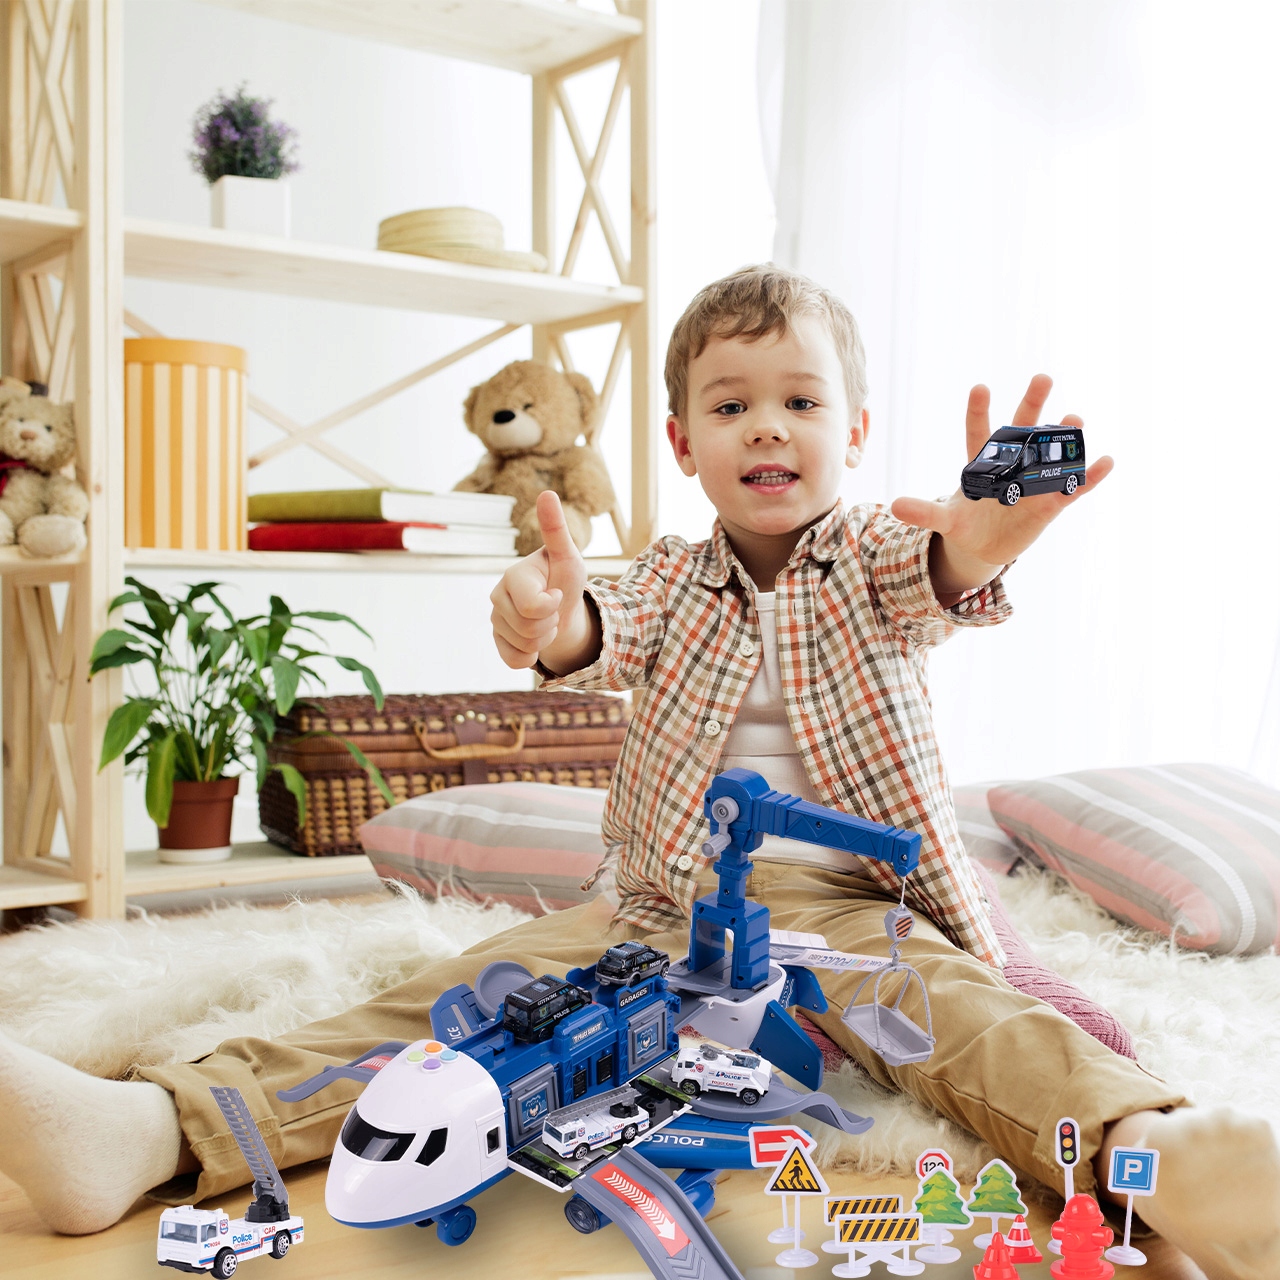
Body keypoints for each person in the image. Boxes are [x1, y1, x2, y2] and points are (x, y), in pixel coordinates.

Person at [1, 267, 1276, 1280]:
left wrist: (986, 538)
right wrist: (539, 614)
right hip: (657, 906)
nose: (764, 424)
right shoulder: (668, 574)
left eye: (798, 400)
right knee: (445, 1008)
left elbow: (942, 581)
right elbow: (590, 625)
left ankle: (1145, 1155)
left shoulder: (885, 553)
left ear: (854, 429)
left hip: (844, 911)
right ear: (681, 440)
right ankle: (159, 1131)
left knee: (984, 1027)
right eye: (729, 404)